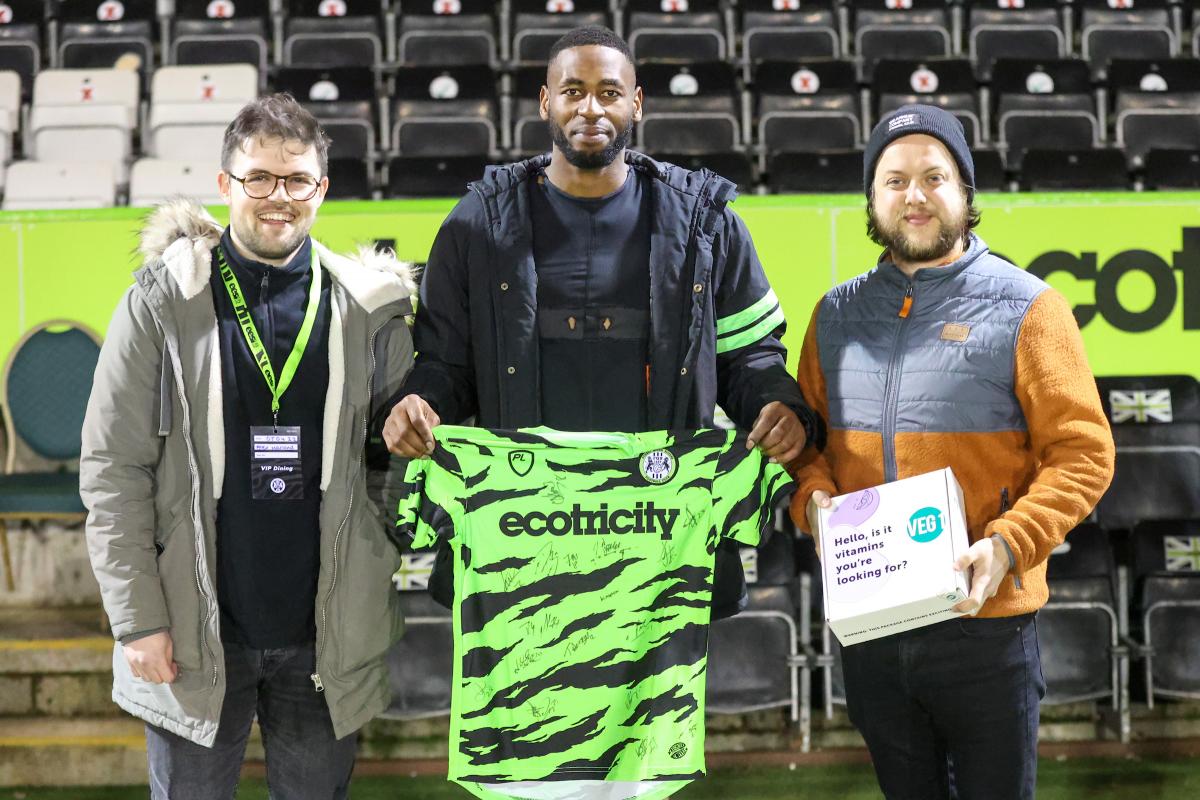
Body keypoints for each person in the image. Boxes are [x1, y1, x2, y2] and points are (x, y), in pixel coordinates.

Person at [380, 25, 822, 615]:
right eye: (573, 91)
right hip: (523, 542)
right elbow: (444, 364)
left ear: (635, 104)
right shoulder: (476, 226)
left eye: (610, 92)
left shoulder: (705, 226)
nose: (591, 108)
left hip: (662, 541)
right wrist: (419, 403)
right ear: (546, 102)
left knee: (658, 710)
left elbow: (751, 359)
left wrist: (779, 407)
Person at [80, 94, 416, 799]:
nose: (277, 196)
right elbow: (114, 469)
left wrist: (379, 545)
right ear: (226, 183)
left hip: (324, 637)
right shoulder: (161, 302)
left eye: (296, 180)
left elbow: (398, 458)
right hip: (195, 630)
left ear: (321, 190)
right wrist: (138, 619)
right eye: (258, 177)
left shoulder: (367, 308)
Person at [789, 104, 1116, 799]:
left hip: (985, 627)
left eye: (934, 177)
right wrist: (811, 504)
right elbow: (803, 448)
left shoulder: (1031, 309)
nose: (914, 195)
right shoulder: (834, 315)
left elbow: (1084, 454)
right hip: (873, 631)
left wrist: (1007, 544)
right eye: (894, 179)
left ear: (966, 193)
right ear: (871, 201)